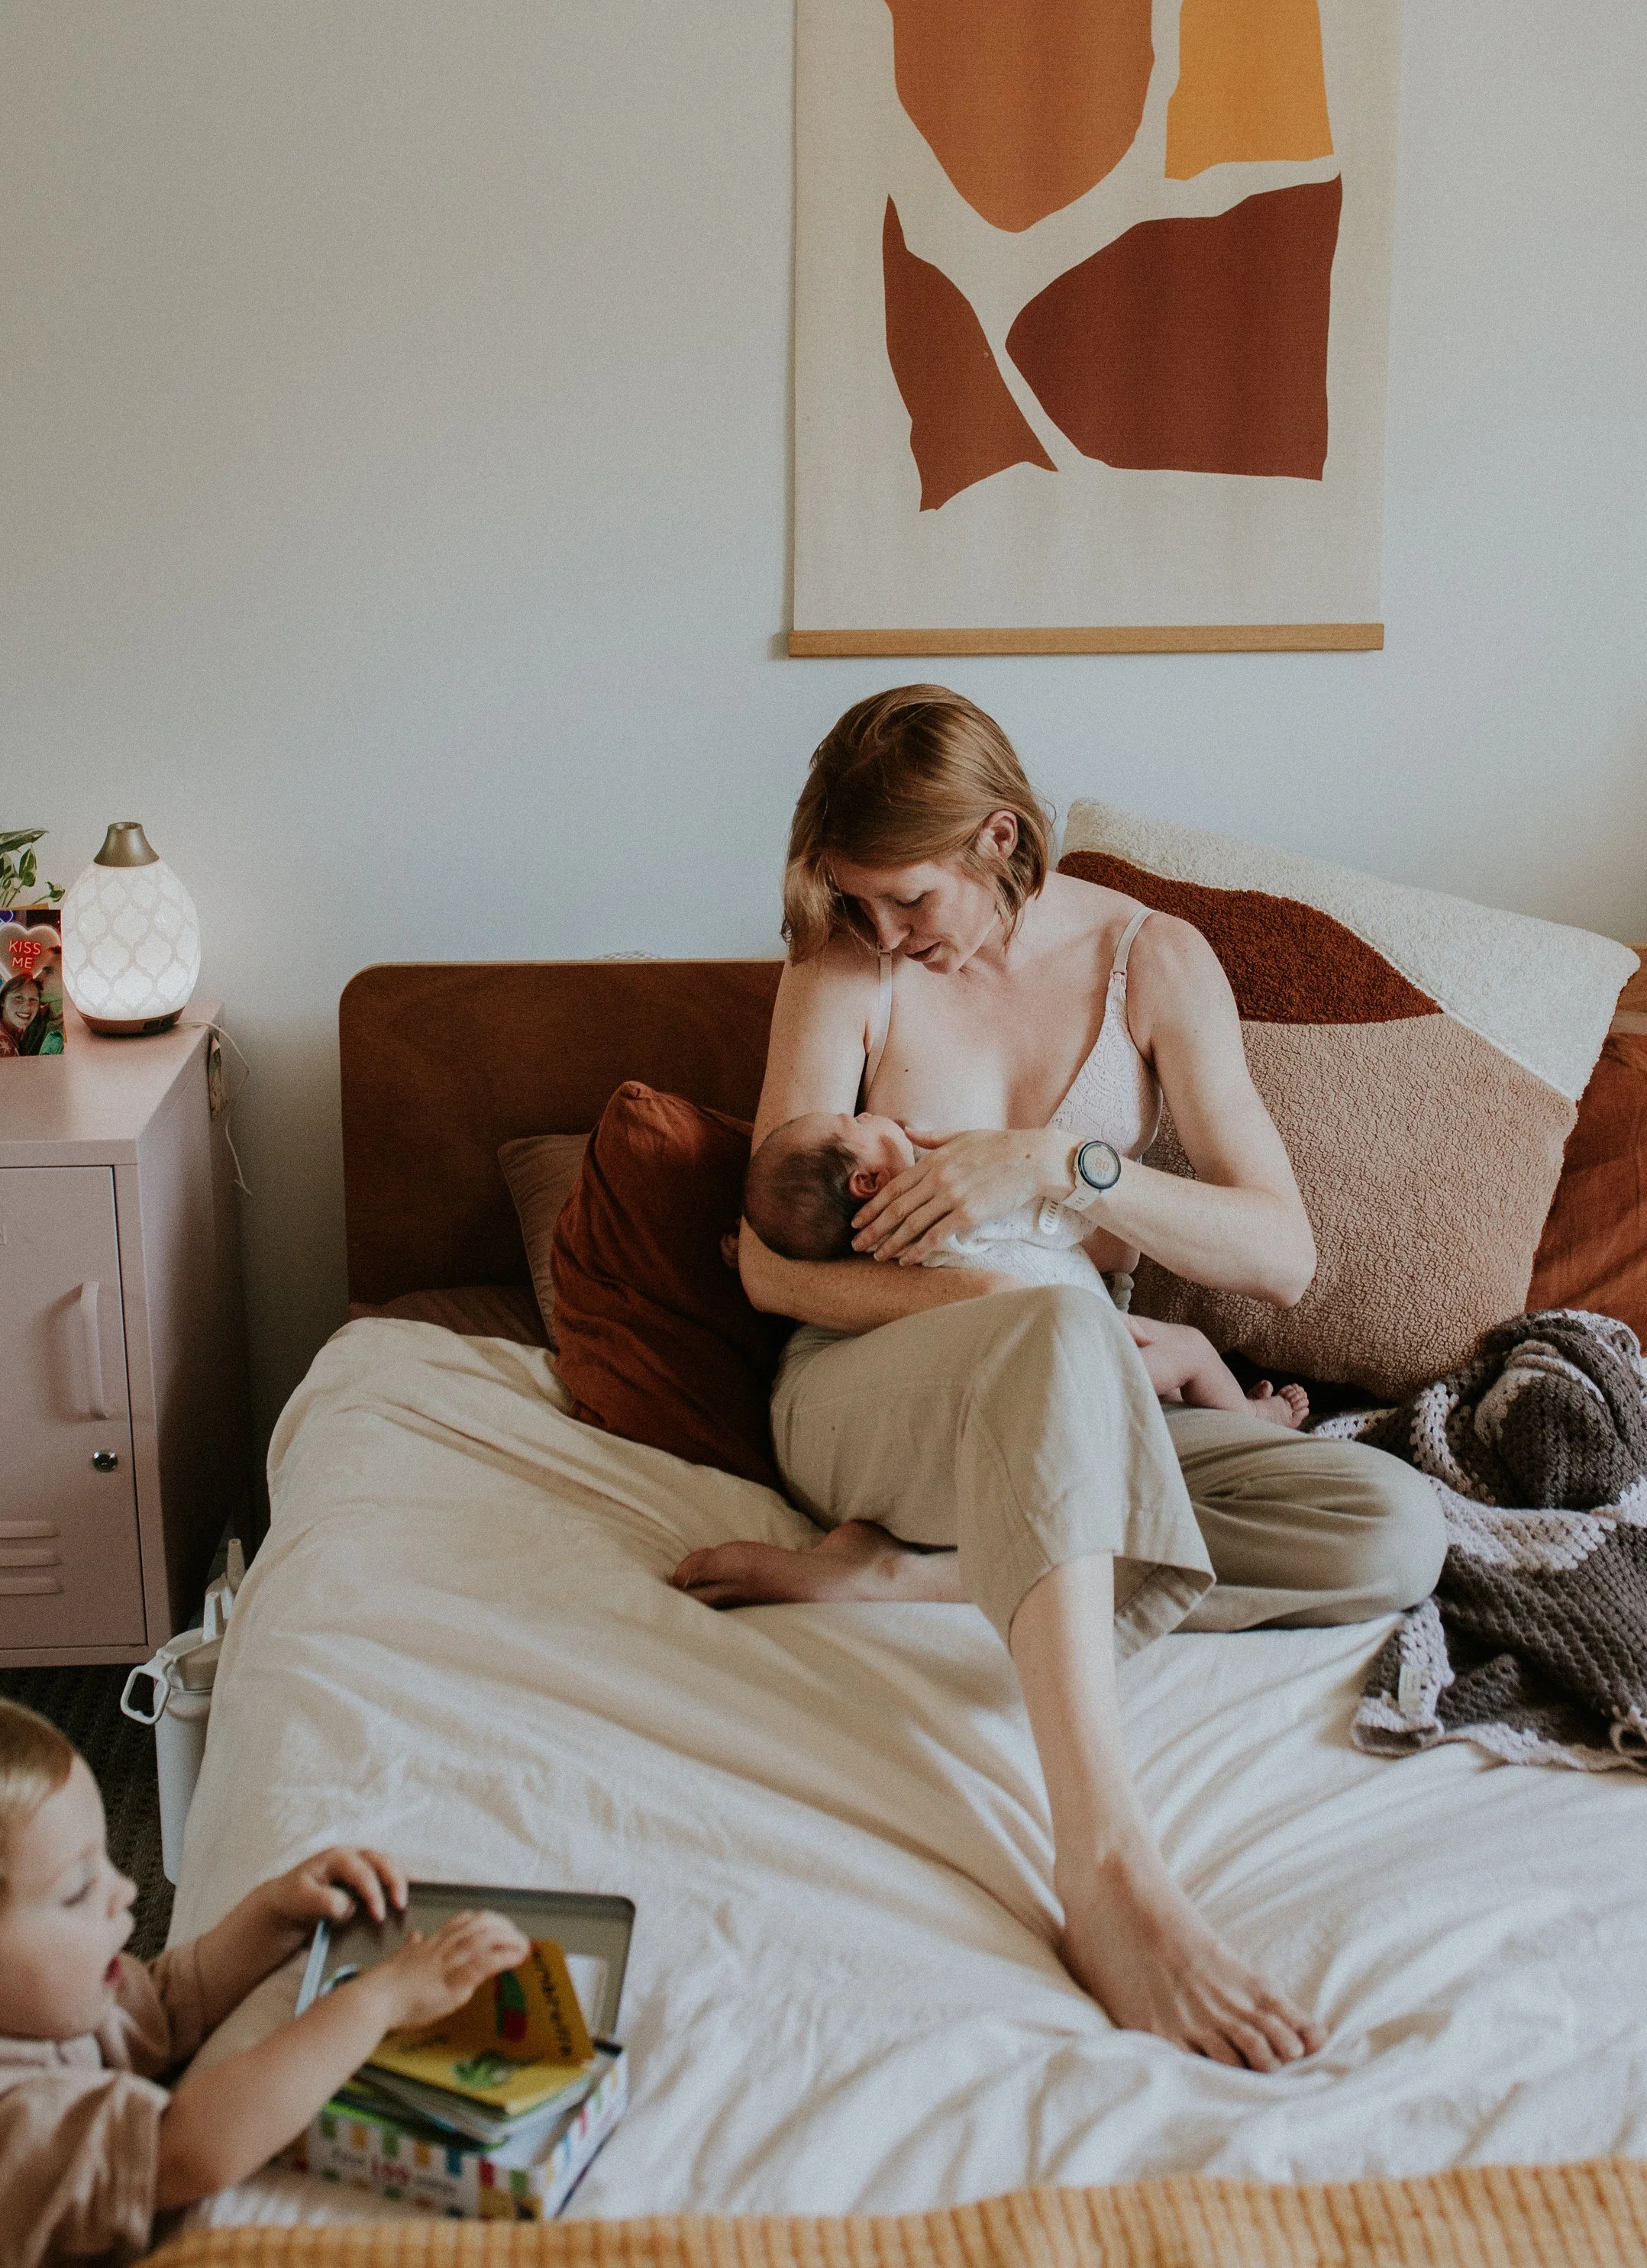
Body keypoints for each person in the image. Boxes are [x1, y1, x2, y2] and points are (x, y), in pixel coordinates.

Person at [673, 686, 1444, 2073]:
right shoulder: (846, 974)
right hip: (875, 1386)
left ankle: (912, 1573)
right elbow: (767, 1269)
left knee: (1393, 1531)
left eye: (906, 898)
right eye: (856, 901)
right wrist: (981, 1300)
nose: (882, 931)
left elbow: (1283, 1253)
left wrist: (1064, 1167)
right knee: (1049, 1341)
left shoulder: (1156, 963)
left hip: (1075, 1399)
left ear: (999, 838)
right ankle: (1110, 1872)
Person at [0, 1700, 528, 2266]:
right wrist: (377, 2001)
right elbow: (187, 2148)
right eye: (77, 1889)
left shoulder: (46, 2006)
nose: (126, 1889)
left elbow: (165, 2003)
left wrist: (274, 1914)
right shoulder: (17, 2124)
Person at [744, 1110, 1310, 1429]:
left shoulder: (880, 1254)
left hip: (1044, 1375)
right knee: (1187, 1348)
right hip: (1090, 1353)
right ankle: (1257, 1417)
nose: (866, 1110)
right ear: (865, 1181)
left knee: (1157, 1401)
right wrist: (1032, 1174)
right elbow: (1058, 1224)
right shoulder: (952, 1207)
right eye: (852, 1120)